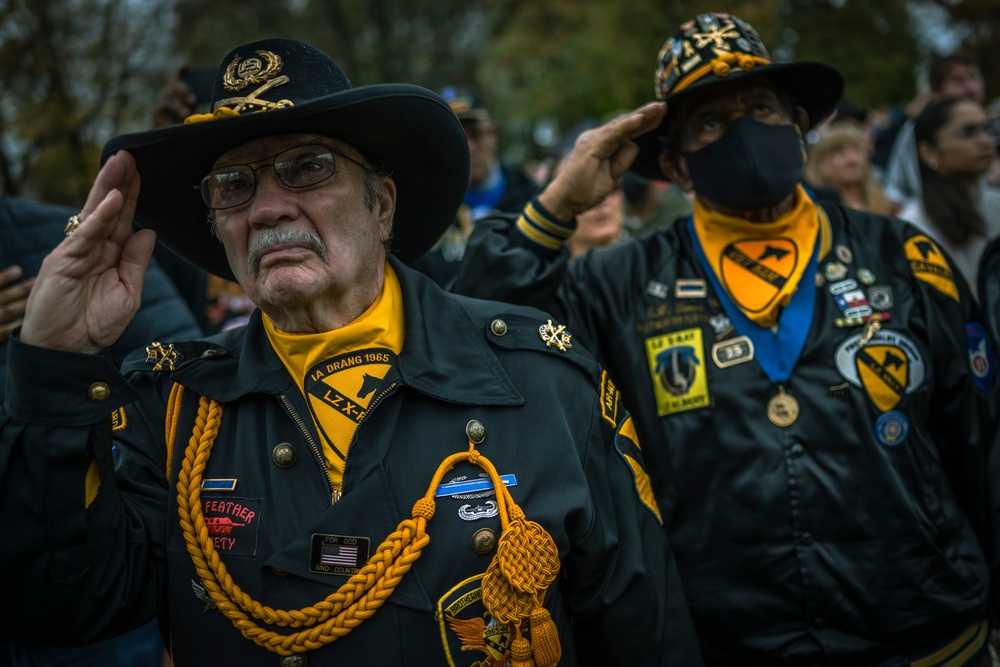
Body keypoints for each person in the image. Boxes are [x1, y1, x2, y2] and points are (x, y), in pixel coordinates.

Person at [0, 38, 701, 666]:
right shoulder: (172, 407)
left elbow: (648, 633)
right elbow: (69, 604)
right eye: (235, 185)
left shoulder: (542, 379)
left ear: (382, 205)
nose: (267, 207)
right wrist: (56, 363)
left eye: (307, 167)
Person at [452, 12, 999, 666]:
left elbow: (982, 441)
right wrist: (556, 205)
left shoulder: (901, 255)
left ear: (799, 126)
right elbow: (481, 333)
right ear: (679, 168)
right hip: (730, 642)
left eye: (760, 109)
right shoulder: (617, 281)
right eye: (710, 123)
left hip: (926, 635)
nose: (741, 133)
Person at [406, 87, 541, 286]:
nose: (469, 147)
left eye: (476, 134)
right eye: (455, 135)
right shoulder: (420, 211)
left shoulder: (531, 198)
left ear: (493, 134)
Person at [895, 97, 1000, 300]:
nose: (985, 141)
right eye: (967, 132)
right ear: (928, 152)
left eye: (987, 129)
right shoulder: (914, 223)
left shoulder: (995, 203)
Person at [880, 49, 987, 207]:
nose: (971, 87)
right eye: (958, 81)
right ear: (936, 92)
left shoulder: (989, 124)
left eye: (974, 77)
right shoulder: (920, 130)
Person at [804, 123, 894, 215]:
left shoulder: (885, 204)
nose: (852, 159)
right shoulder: (815, 209)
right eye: (839, 151)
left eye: (857, 150)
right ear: (820, 164)